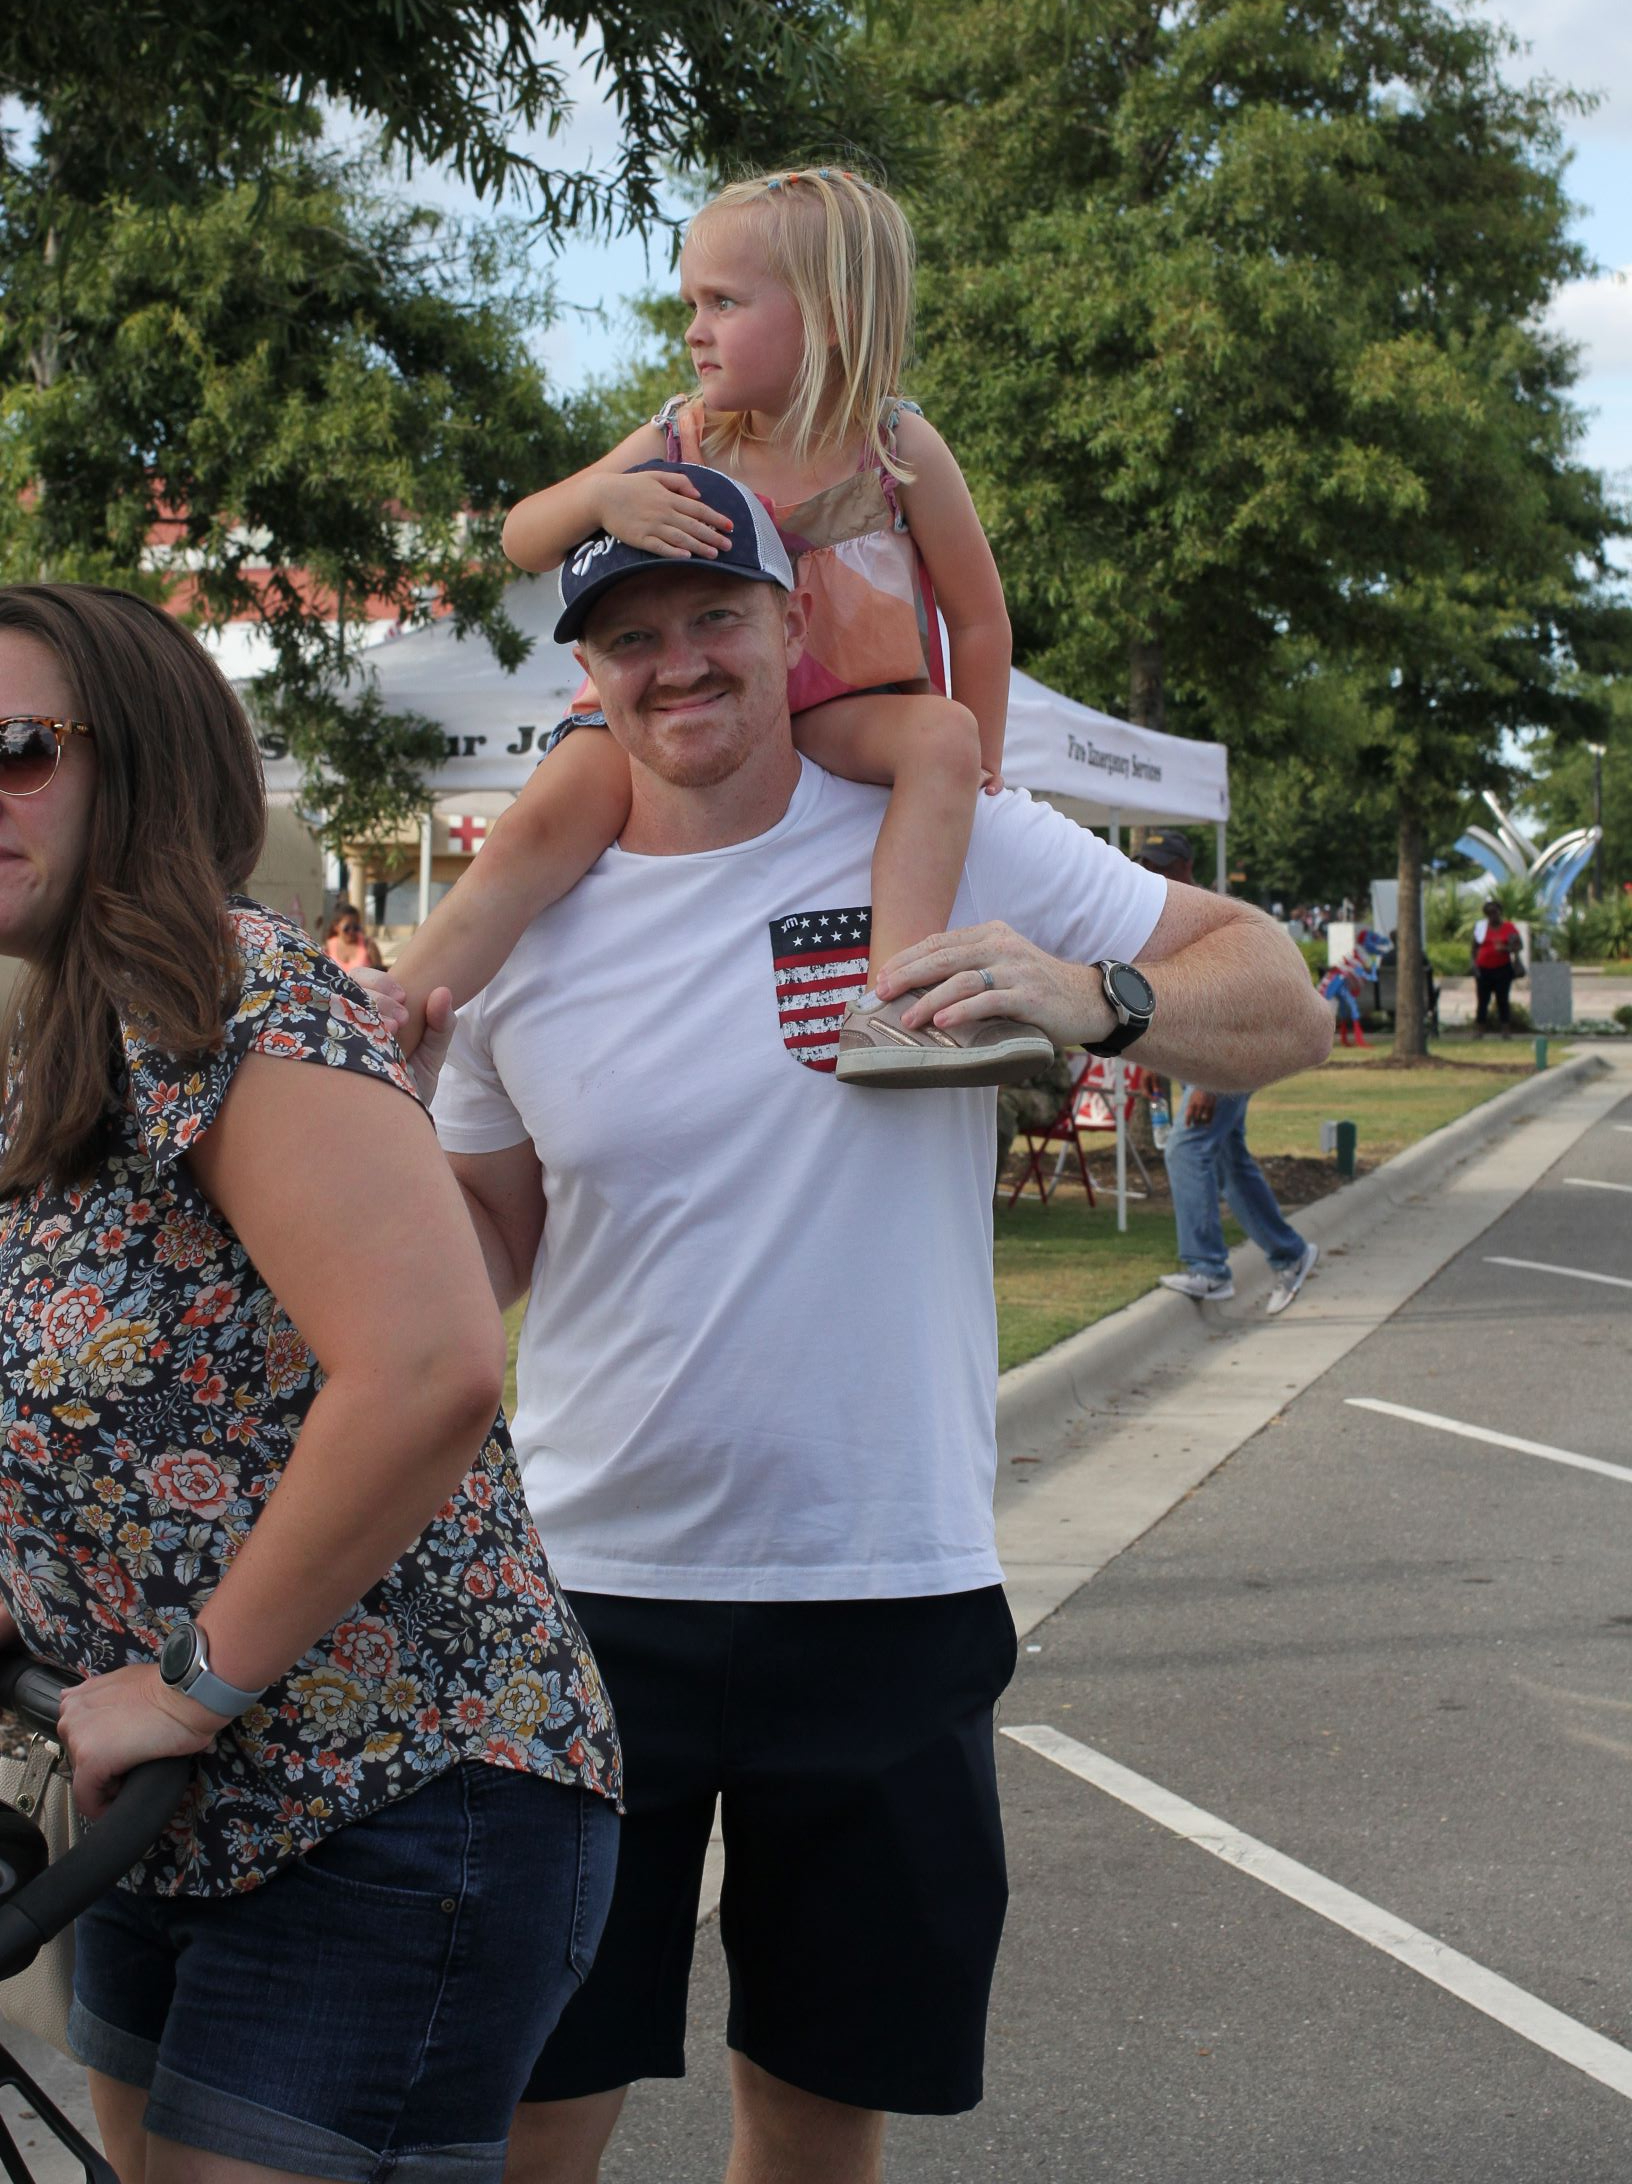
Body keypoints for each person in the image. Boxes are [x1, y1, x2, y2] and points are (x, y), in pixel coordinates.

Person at [392, 536, 1331, 2184]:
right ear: (587, 676)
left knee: (823, 2092)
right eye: (629, 636)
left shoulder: (952, 833)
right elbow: (493, 1225)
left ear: (790, 623)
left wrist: (1089, 994)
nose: (676, 660)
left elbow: (1282, 995)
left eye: (713, 617)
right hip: (589, 1594)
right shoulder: (530, 919)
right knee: (532, 2091)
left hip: (886, 1581)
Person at [0, 585, 620, 2184]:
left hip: (391, 1789)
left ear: (133, 762)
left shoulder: (240, 993)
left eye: (16, 751)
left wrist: (189, 1681)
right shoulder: (57, 1039)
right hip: (166, 1801)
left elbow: (427, 1368)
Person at [387, 163, 1055, 1089]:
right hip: (677, 707)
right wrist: (602, 497)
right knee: (536, 825)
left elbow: (980, 618)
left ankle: (893, 1002)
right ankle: (386, 1013)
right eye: (690, 303)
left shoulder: (897, 445)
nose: (694, 330)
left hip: (829, 706)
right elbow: (521, 539)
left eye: (723, 302)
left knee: (942, 736)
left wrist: (984, 759)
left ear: (829, 315)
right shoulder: (684, 438)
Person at [1138, 831, 1321, 1317]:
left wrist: (1209, 1085)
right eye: (1146, 864)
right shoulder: (1161, 911)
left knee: (1188, 1146)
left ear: (1185, 866)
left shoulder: (1218, 914)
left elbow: (1238, 1002)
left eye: (1160, 865)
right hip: (1195, 1049)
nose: (1151, 872)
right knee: (1225, 1157)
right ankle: (1290, 1253)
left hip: (1233, 1048)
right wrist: (1156, 1062)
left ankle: (1209, 1270)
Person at [1472, 895, 1522, 1034]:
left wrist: (1505, 949)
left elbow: (1518, 945)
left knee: (1502, 1000)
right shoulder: (1481, 928)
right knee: (1482, 1001)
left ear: (1500, 912)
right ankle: (1480, 1029)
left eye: (1495, 912)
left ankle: (1505, 1029)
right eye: (1489, 913)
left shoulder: (1508, 927)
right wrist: (1474, 966)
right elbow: (1474, 948)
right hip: (1483, 969)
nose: (1492, 916)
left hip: (1502, 969)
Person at [324, 901, 383, 973]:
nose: (351, 932)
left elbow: (380, 974)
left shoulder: (368, 945)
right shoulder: (328, 947)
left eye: (355, 927)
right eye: (347, 928)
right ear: (336, 927)